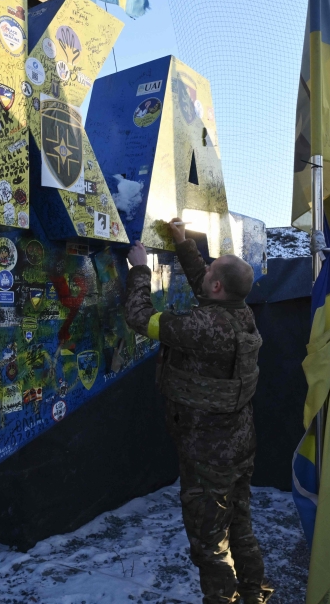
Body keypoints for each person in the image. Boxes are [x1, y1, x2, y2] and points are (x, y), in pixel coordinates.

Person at [125, 218, 272, 604]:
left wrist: (140, 268)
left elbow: (140, 318)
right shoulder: (240, 314)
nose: (204, 272)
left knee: (209, 544)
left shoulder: (204, 326)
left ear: (218, 286)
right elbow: (205, 289)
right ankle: (255, 594)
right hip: (239, 447)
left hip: (208, 456)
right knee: (240, 525)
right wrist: (184, 244)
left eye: (210, 270)